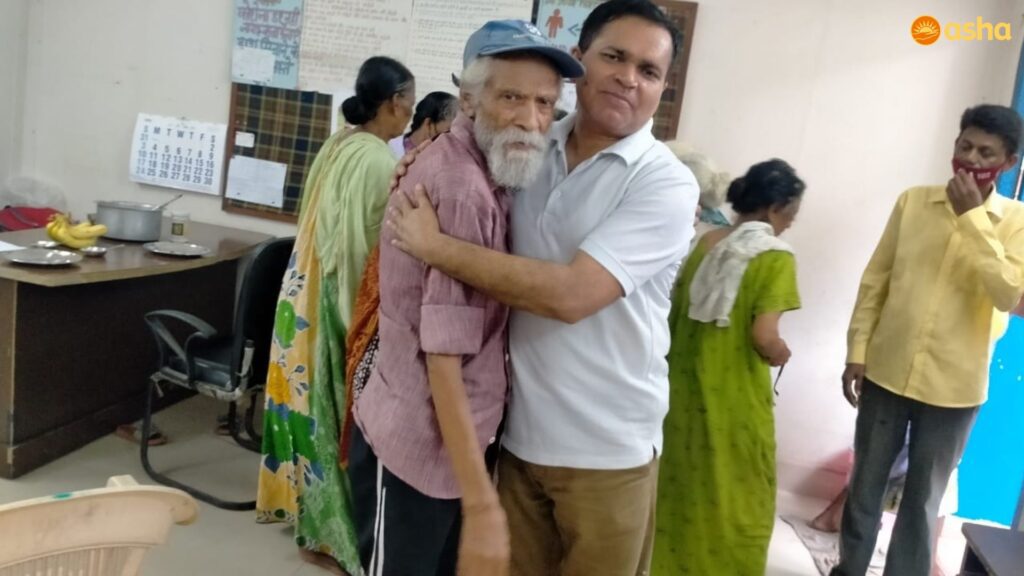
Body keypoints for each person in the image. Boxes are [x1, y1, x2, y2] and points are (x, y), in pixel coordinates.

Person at [385, 1, 698, 573]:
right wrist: (423, 153)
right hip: (516, 439)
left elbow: (572, 296)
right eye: (614, 57)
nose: (629, 78)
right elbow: (464, 148)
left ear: (662, 88)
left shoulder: (665, 184)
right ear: (580, 61)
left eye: (649, 71)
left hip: (607, 454)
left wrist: (437, 247)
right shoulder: (530, 143)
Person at [350, 20, 581, 576]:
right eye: (511, 98)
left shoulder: (491, 168)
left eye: (545, 103)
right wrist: (481, 504)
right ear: (470, 101)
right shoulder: (461, 188)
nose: (530, 119)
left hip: (450, 447)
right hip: (420, 448)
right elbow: (444, 359)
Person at [833, 104, 1024, 576]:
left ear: (1008, 163)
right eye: (965, 146)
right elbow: (876, 281)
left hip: (955, 389)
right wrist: (858, 350)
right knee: (865, 488)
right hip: (887, 370)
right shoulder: (913, 203)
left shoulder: (1016, 222)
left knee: (922, 500)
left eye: (986, 153)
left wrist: (972, 218)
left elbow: (1008, 294)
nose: (971, 159)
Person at [255, 56, 415, 575]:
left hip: (301, 289)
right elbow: (360, 253)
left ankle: (311, 525)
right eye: (410, 103)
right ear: (395, 103)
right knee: (337, 417)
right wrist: (360, 329)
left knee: (308, 414)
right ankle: (335, 538)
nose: (411, 114)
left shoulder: (339, 141)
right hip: (332, 299)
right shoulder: (376, 162)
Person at [652, 159, 804, 575]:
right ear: (774, 207)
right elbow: (764, 336)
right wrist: (780, 352)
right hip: (734, 402)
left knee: (680, 487)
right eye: (791, 213)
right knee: (741, 496)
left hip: (678, 393)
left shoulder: (705, 243)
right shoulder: (775, 257)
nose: (791, 222)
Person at [388, 91, 459, 158]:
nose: (452, 139)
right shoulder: (389, 149)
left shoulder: (447, 158)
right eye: (448, 131)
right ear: (428, 124)